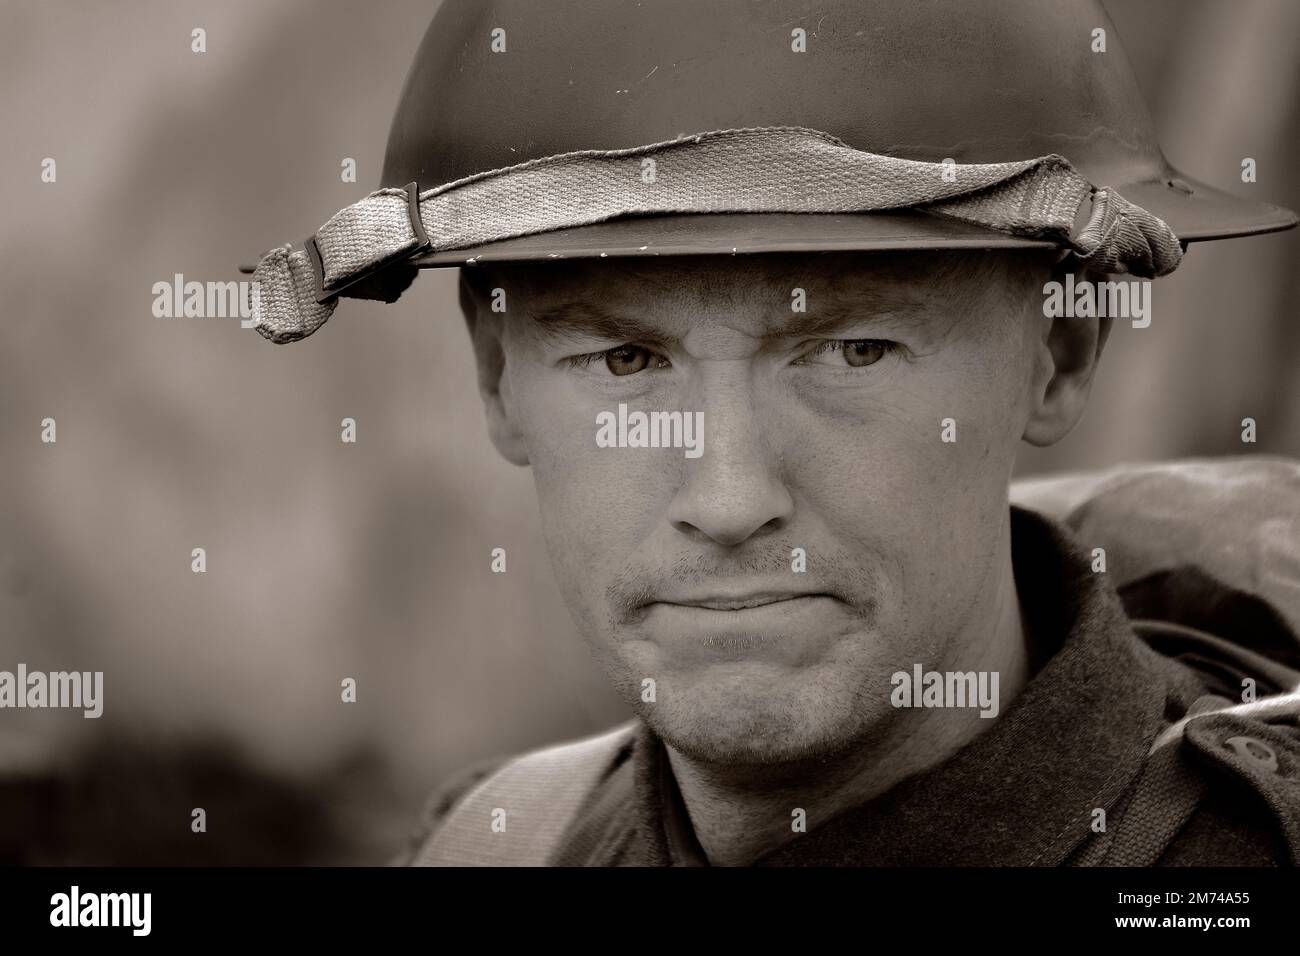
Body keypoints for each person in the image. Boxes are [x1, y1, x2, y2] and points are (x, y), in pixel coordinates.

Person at [242, 0, 1300, 866]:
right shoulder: (494, 847)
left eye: (851, 351)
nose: (731, 496)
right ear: (495, 375)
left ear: (1059, 353)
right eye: (625, 361)